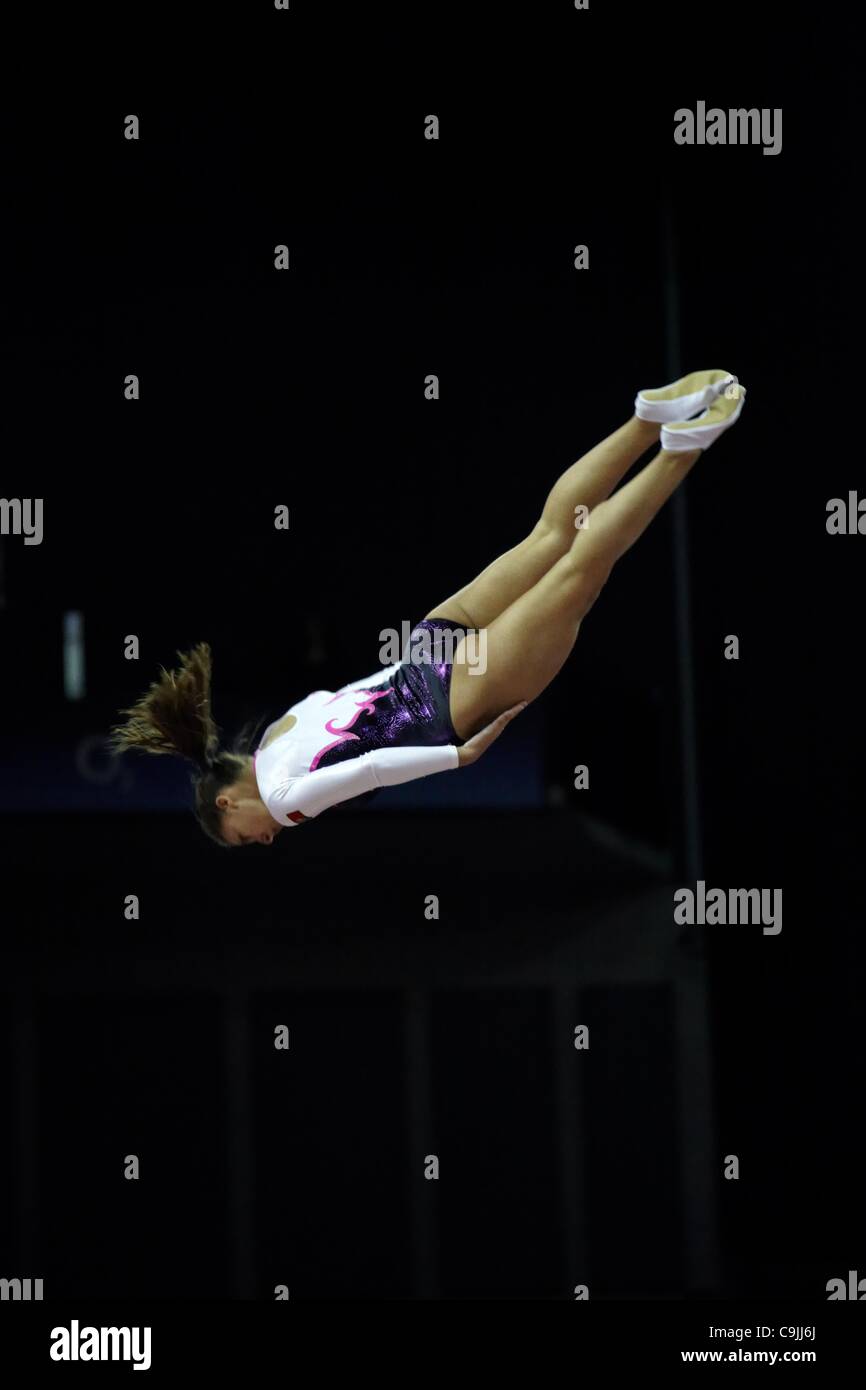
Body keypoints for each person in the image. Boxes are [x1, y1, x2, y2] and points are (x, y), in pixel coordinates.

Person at [108, 369, 745, 847]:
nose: (267, 839)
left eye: (248, 838)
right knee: (551, 535)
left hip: (449, 703)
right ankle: (646, 418)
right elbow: (344, 698)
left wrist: (457, 758)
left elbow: (374, 769)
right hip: (428, 648)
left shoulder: (278, 800)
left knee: (581, 576)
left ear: (229, 805)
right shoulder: (277, 735)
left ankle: (681, 447)